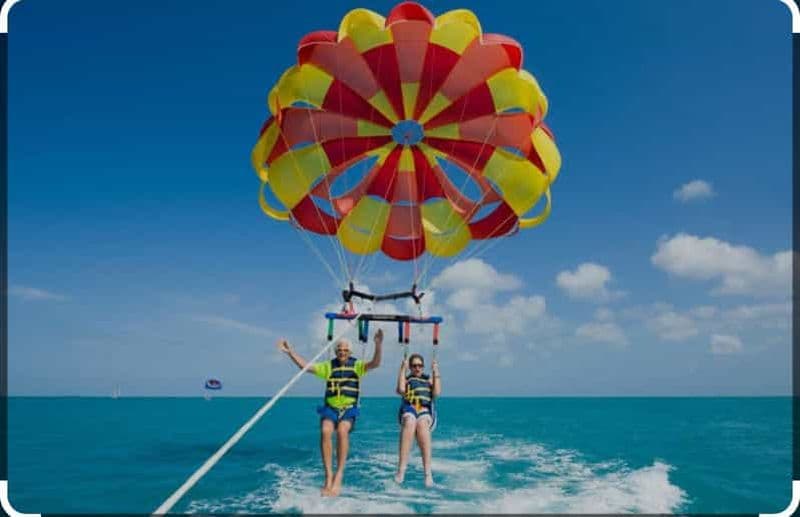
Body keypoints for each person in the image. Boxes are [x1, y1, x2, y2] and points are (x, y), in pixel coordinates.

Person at [278, 329, 383, 496]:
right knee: (326, 431)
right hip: (330, 408)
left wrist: (378, 344)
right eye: (339, 350)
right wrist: (290, 352)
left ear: (350, 352)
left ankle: (339, 474)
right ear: (336, 352)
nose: (342, 352)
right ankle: (328, 476)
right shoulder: (328, 366)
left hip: (349, 409)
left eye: (345, 350)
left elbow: (375, 363)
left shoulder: (357, 366)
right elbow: (306, 367)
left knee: (342, 431)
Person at [394, 352, 441, 487]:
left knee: (421, 424)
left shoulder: (428, 380)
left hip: (425, 410)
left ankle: (427, 473)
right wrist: (402, 369)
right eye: (414, 366)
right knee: (410, 421)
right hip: (410, 408)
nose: (417, 368)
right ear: (410, 367)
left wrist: (436, 371)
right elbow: (401, 390)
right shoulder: (407, 380)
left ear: (423, 366)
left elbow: (436, 393)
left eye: (420, 365)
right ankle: (401, 471)